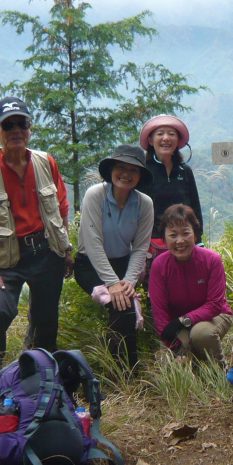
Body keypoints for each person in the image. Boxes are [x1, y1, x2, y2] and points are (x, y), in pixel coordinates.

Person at [0, 97, 73, 367]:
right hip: (4, 260)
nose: (15, 131)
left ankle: (39, 373)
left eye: (21, 124)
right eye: (7, 125)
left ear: (30, 128)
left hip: (46, 252)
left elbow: (61, 206)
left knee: (46, 320)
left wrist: (66, 249)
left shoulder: (45, 162)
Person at [73, 144, 155, 373]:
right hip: (89, 264)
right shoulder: (95, 195)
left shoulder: (144, 203)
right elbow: (92, 242)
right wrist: (112, 283)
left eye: (134, 170)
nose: (126, 174)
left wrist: (128, 281)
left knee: (125, 305)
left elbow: (140, 247)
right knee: (120, 305)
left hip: (123, 265)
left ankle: (126, 370)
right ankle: (125, 371)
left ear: (140, 176)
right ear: (111, 170)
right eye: (121, 167)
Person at [149, 204, 233, 368]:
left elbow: (215, 305)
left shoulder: (211, 259)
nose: (179, 241)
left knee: (200, 334)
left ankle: (218, 371)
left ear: (195, 236)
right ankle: (196, 364)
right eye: (173, 235)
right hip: (177, 323)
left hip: (214, 316)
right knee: (173, 363)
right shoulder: (159, 265)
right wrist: (175, 348)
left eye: (186, 233)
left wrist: (184, 320)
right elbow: (160, 313)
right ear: (164, 239)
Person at [138, 114, 203, 250]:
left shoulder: (184, 171)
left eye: (171, 134)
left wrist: (198, 239)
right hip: (152, 242)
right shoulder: (142, 171)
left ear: (178, 140)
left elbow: (195, 207)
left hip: (183, 241)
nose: (166, 138)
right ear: (150, 140)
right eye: (160, 134)